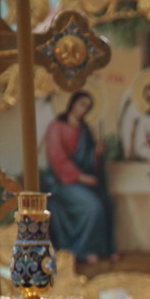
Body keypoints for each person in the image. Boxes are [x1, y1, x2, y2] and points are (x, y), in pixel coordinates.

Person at [42, 90, 114, 264]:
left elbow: (89, 160)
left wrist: (97, 152)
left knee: (107, 202)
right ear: (72, 103)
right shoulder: (57, 126)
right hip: (61, 182)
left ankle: (102, 249)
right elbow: (57, 158)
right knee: (92, 206)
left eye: (88, 107)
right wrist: (81, 177)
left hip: (81, 181)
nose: (84, 109)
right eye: (82, 104)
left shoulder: (85, 129)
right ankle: (84, 250)